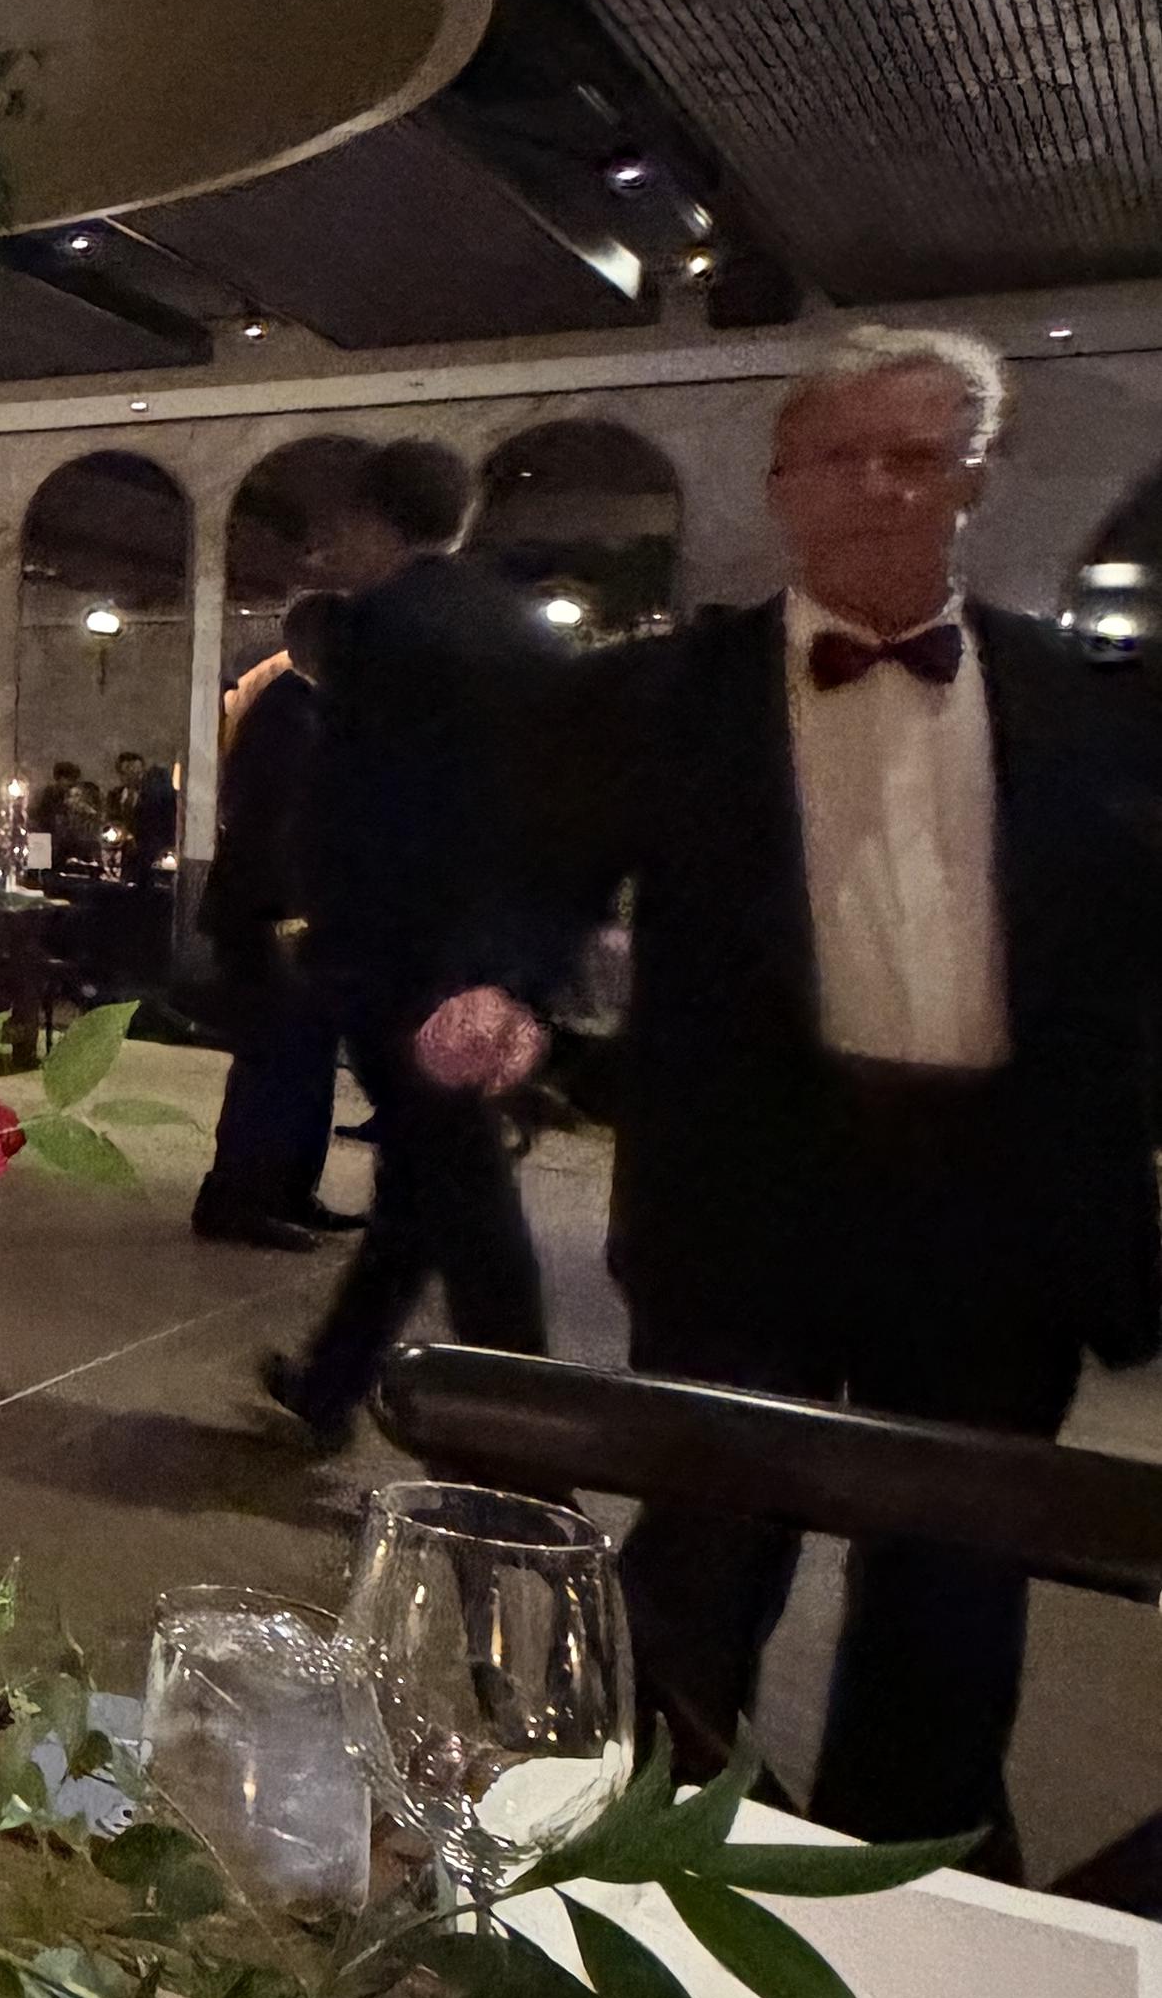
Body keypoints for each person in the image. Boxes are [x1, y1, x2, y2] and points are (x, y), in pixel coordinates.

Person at [416, 331, 1162, 1866]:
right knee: (703, 1555)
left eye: (918, 456)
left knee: (952, 1587)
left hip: (1001, 1212)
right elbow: (540, 878)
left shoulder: (1089, 701)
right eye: (843, 456)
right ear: (782, 486)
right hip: (749, 1190)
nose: (879, 487)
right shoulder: (662, 696)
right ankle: (633, 1863)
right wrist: (501, 988)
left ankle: (908, 1891)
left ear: (976, 480)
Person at [258, 436, 552, 1449]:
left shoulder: (383, 626)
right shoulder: (516, 623)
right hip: (490, 952)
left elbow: (359, 805)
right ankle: (330, 1382)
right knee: (425, 1186)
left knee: (465, 1197)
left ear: (368, 519)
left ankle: (525, 1428)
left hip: (406, 956)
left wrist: (326, 931)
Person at [191, 600, 345, 1250]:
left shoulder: (315, 710)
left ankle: (288, 1191)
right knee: (271, 1056)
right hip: (268, 918)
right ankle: (236, 1198)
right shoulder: (285, 715)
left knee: (309, 1057)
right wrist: (294, 914)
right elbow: (269, 828)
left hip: (300, 917)